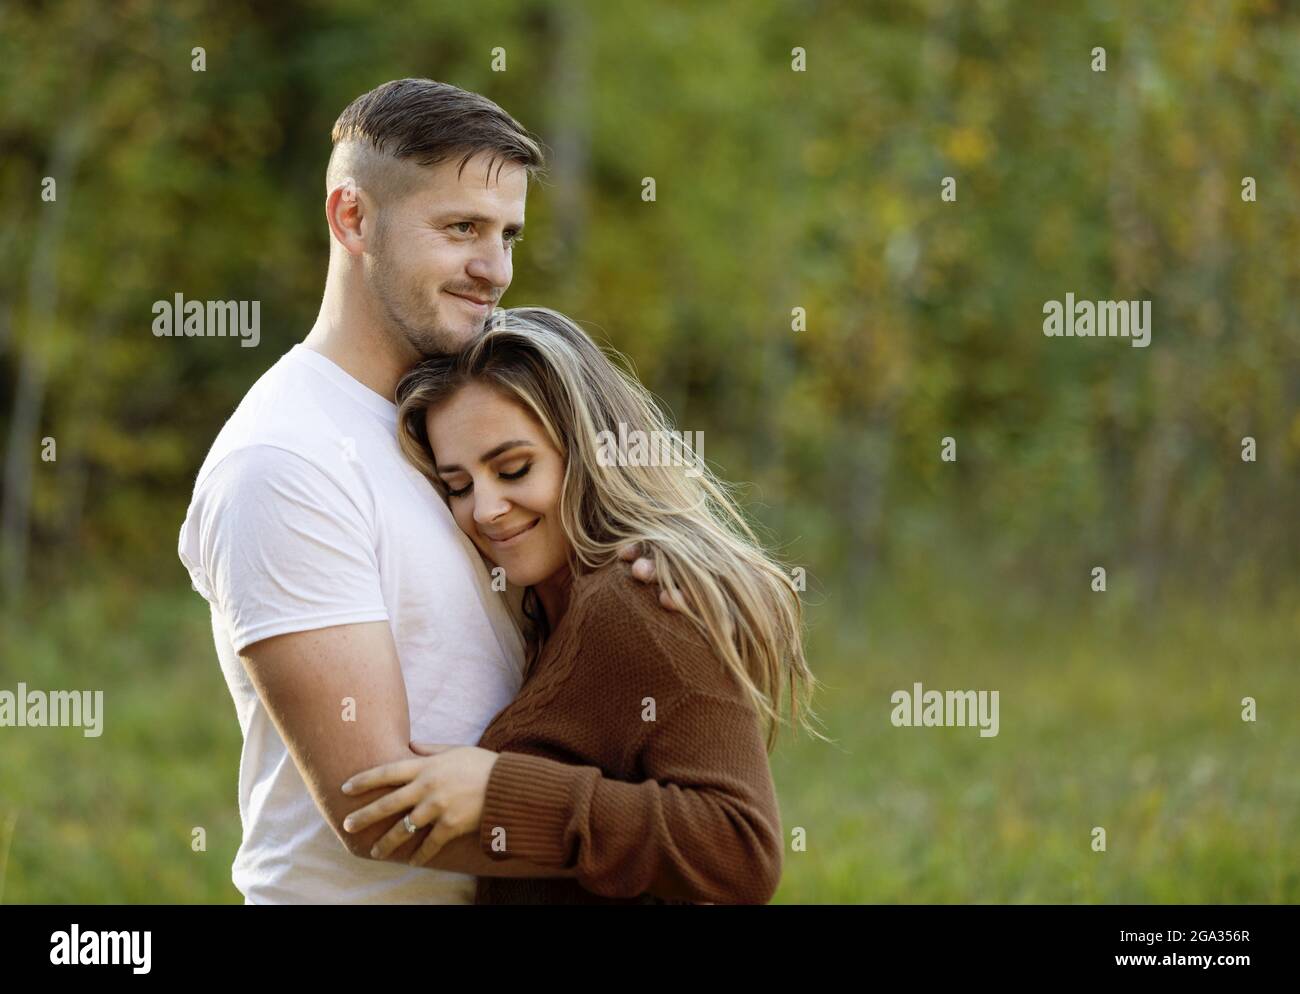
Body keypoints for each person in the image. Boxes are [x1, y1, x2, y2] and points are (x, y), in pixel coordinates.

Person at [176, 79, 666, 904]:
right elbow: (378, 810)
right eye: (461, 229)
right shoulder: (284, 460)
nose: (496, 269)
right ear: (353, 218)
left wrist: (637, 573)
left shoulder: (456, 422)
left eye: (508, 234)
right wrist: (683, 836)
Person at [339, 307, 823, 903]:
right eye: (458, 486)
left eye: (513, 468)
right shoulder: (542, 606)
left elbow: (740, 848)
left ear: (591, 453)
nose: (486, 509)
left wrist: (503, 793)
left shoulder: (639, 599)